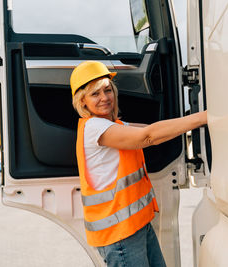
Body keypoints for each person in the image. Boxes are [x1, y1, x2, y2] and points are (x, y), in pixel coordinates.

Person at [70, 61, 207, 267]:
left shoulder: (113, 125)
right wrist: (206, 117)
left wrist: (187, 120)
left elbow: (150, 131)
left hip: (137, 225)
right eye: (95, 94)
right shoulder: (94, 128)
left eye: (108, 90)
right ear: (83, 102)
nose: (105, 98)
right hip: (120, 236)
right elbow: (148, 136)